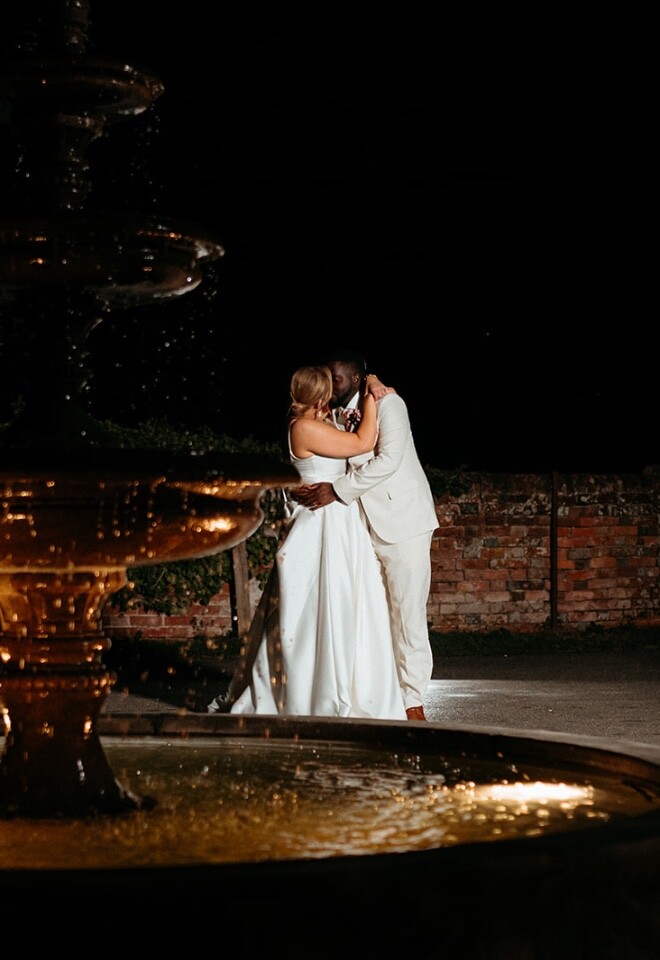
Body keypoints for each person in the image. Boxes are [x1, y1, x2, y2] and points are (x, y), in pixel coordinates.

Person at [222, 364, 407, 720]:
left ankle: (349, 683)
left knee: (347, 605)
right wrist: (371, 395)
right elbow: (363, 443)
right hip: (322, 528)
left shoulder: (320, 423)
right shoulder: (303, 428)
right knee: (317, 608)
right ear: (320, 395)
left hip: (340, 524)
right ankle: (316, 692)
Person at [293, 348, 438, 721]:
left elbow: (387, 461)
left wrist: (336, 491)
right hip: (358, 528)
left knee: (407, 616)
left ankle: (413, 702)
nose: (329, 385)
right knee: (372, 615)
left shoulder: (389, 404)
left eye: (336, 378)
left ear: (356, 379)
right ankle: (381, 695)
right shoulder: (331, 416)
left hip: (403, 522)